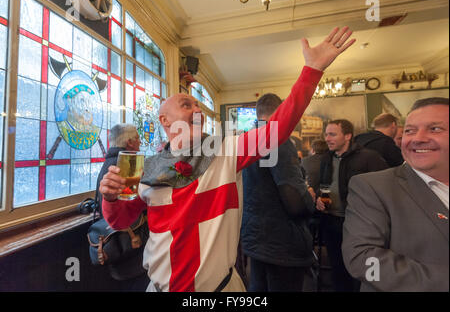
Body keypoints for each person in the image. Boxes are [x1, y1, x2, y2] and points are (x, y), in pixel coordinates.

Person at [99, 26, 356, 292]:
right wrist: (109, 198)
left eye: (198, 105)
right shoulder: (146, 168)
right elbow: (119, 220)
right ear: (164, 120)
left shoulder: (226, 150)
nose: (197, 109)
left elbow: (276, 129)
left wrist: (311, 71)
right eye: (187, 105)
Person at [342, 97, 449, 292]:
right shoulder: (373, 187)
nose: (418, 138)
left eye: (434, 129)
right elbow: (362, 260)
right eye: (410, 131)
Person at [240, 93, 316, 292]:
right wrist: (309, 198)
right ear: (281, 112)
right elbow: (295, 203)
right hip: (281, 242)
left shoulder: (247, 140)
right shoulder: (277, 139)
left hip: (254, 236)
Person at [316, 119, 388, 292]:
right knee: (337, 267)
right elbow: (324, 185)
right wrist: (318, 199)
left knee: (359, 268)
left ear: (347, 136)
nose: (327, 138)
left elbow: (385, 188)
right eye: (326, 134)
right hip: (331, 221)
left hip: (358, 224)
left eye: (332, 134)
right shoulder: (326, 158)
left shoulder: (368, 157)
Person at [94, 123, 149, 290]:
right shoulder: (126, 167)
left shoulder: (108, 164)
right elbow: (131, 208)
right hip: (130, 250)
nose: (140, 143)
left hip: (116, 249)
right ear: (130, 142)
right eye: (138, 139)